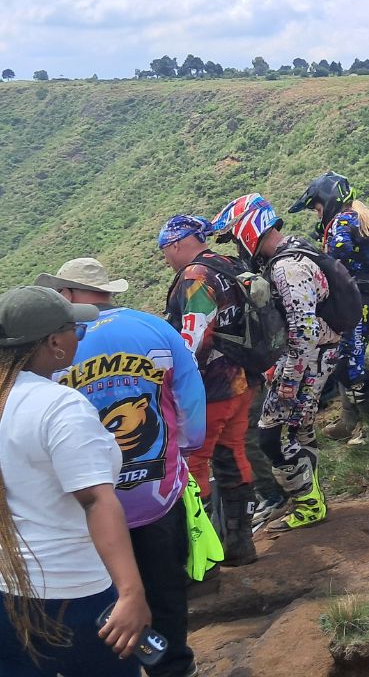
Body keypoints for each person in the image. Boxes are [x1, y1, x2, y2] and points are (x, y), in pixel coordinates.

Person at [39, 258, 204, 677]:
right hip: (157, 495)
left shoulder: (54, 346)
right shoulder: (155, 328)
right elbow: (191, 402)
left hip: (87, 507)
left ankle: (124, 665)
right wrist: (184, 451)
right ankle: (173, 668)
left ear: (68, 294)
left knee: (108, 602)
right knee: (165, 591)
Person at [0, 286, 152, 677]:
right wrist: (131, 593)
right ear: (54, 343)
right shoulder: (59, 406)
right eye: (76, 331)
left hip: (8, 590)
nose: (77, 338)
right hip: (76, 592)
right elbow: (96, 500)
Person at [209, 194, 338, 535]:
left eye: (235, 237)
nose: (237, 245)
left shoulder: (287, 267)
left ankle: (309, 505)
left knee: (272, 436)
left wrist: (288, 381)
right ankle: (311, 498)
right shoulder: (290, 252)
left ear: (248, 229)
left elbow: (304, 330)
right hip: (314, 357)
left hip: (307, 362)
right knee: (299, 430)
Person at [158, 214, 259, 567]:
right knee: (233, 455)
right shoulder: (227, 264)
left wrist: (175, 384)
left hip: (211, 389)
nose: (165, 258)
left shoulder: (195, 277)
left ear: (175, 244)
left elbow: (194, 337)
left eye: (164, 250)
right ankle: (240, 544)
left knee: (194, 465)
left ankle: (202, 559)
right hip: (242, 380)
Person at [288, 173, 369, 440]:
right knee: (345, 359)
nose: (318, 214)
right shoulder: (360, 217)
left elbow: (339, 251)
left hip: (359, 302)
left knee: (350, 366)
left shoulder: (342, 221)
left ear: (328, 200)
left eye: (317, 208)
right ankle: (350, 422)